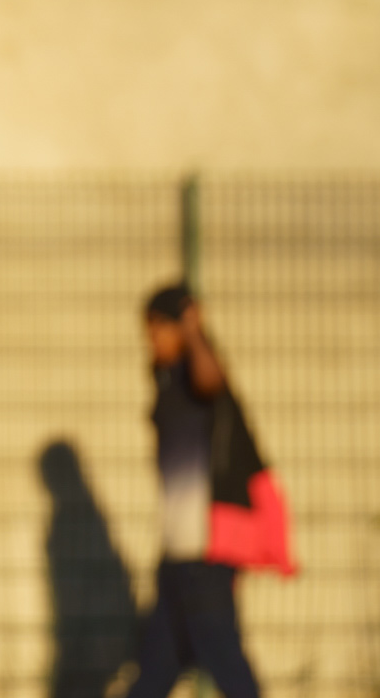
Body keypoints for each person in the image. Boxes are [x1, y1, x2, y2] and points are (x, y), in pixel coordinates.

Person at [126, 283, 294, 698]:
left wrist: (193, 330)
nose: (151, 339)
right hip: (177, 557)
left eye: (157, 328)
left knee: (228, 666)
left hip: (206, 556)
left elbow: (212, 378)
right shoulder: (168, 382)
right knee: (153, 674)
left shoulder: (200, 378)